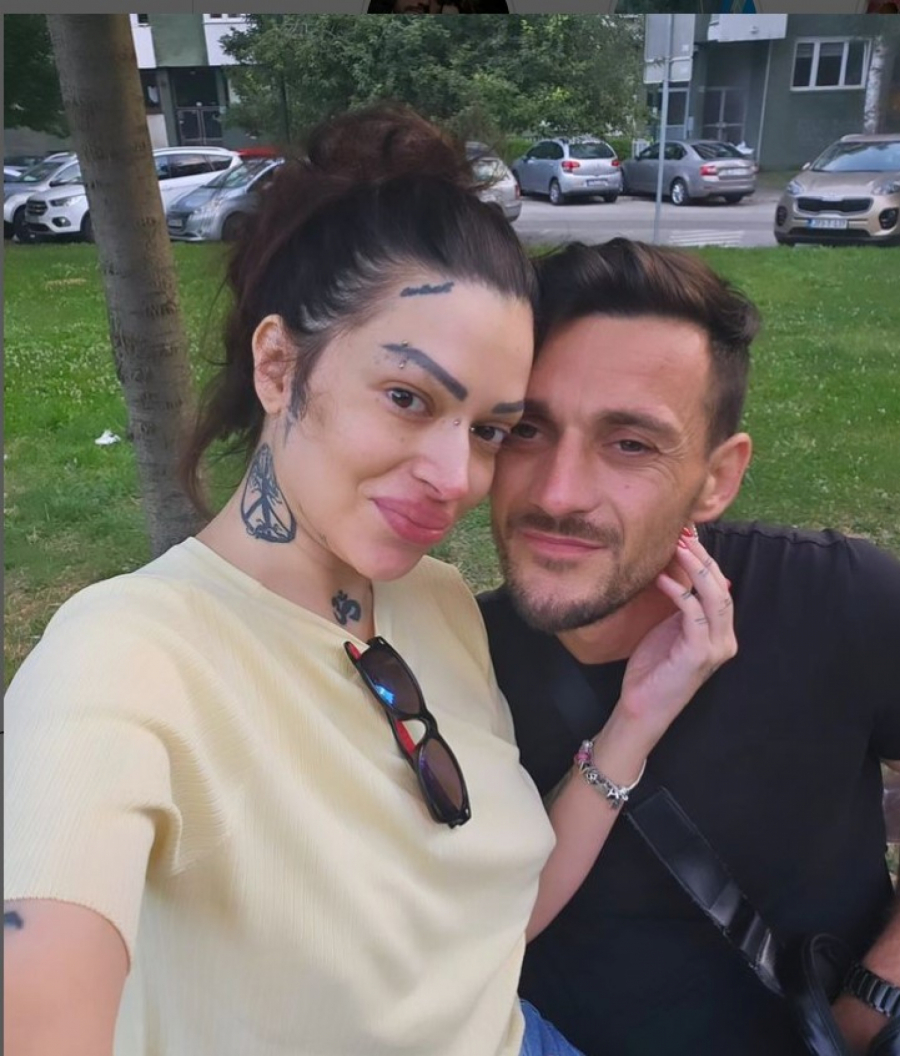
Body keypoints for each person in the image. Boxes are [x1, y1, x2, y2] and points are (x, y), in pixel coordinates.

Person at [4, 111, 733, 1056]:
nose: (456, 478)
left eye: (489, 429)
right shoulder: (125, 659)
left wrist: (637, 717)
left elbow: (488, 929)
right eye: (407, 398)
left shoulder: (438, 601)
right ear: (279, 365)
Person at [479, 237, 900, 1056]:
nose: (558, 493)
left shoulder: (833, 599)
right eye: (526, 428)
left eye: (630, 444)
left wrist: (871, 1002)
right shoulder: (455, 660)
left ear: (718, 478)